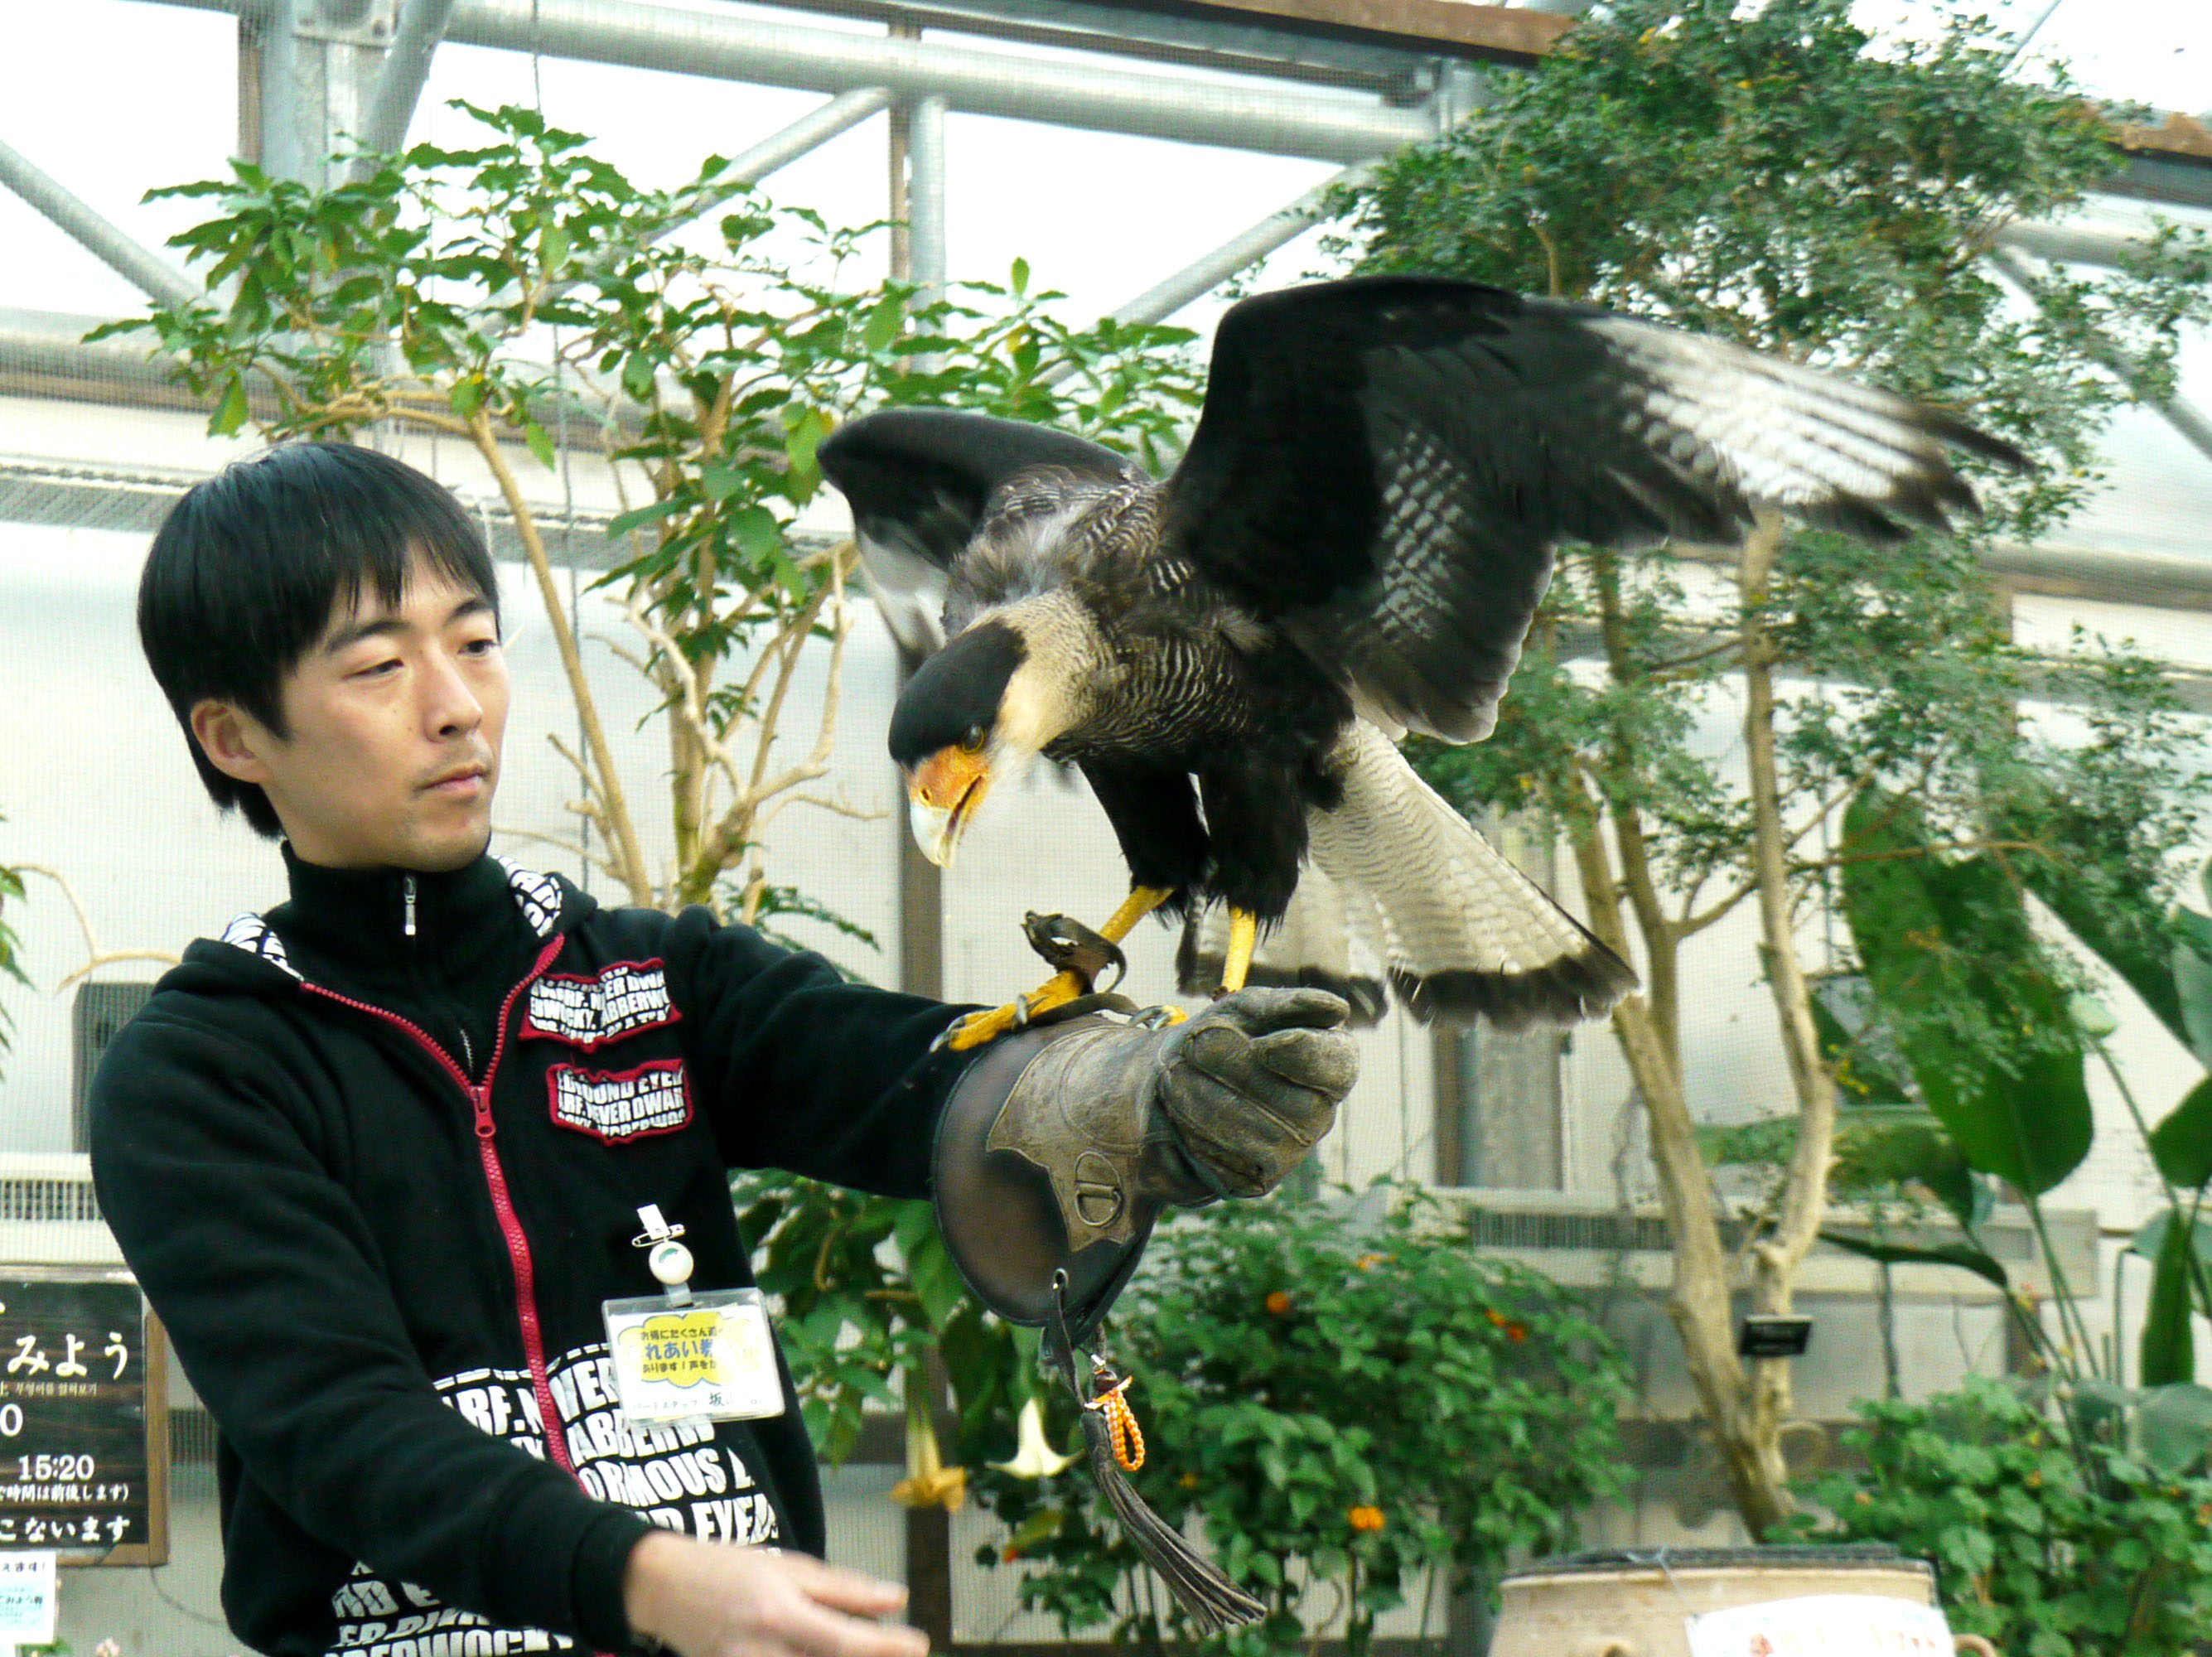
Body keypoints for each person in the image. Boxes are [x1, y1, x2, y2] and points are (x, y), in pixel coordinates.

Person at [89, 442, 1358, 1657]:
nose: (457, 705)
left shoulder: (654, 981)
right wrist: (649, 1583)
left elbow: (909, 1078)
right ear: (234, 736)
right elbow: (338, 1430)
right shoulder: (203, 1073)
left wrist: (1134, 1096)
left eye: (476, 644)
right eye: (378, 668)